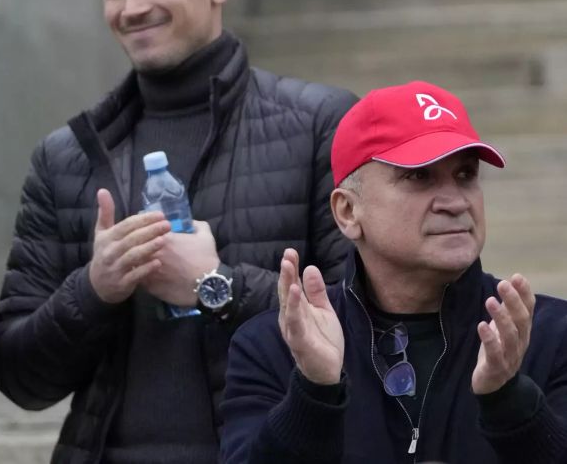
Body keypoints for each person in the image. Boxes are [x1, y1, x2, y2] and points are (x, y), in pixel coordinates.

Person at [0, 0, 357, 463]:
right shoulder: (64, 158)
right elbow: (18, 378)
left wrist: (218, 286)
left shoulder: (321, 126)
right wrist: (94, 290)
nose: (131, 6)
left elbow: (370, 330)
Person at [221, 80, 567, 464]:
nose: (454, 202)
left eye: (466, 175)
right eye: (419, 176)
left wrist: (509, 401)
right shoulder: (271, 346)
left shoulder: (552, 335)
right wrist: (314, 393)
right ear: (348, 212)